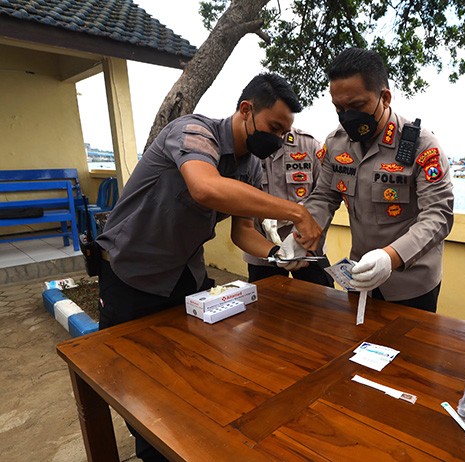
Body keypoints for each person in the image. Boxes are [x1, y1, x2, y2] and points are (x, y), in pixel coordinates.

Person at [95, 73, 321, 461]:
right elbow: (206, 187)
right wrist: (296, 212)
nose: (279, 139)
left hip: (184, 278)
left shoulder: (249, 166)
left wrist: (277, 256)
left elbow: (243, 233)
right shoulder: (193, 133)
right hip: (130, 277)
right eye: (274, 127)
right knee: (137, 386)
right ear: (246, 110)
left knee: (187, 380)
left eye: (286, 133)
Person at [280, 47, 454, 312]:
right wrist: (300, 237)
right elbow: (324, 197)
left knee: (409, 351)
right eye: (339, 108)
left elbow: (438, 215)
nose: (348, 116)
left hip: (411, 282)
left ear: (385, 97)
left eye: (358, 106)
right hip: (358, 275)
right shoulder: (336, 144)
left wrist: (390, 257)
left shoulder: (422, 146)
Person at [242, 127, 334, 286]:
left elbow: (323, 197)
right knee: (265, 304)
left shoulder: (309, 145)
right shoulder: (247, 149)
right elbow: (241, 207)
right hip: (263, 248)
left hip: (306, 246)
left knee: (323, 300)